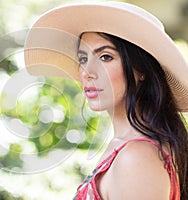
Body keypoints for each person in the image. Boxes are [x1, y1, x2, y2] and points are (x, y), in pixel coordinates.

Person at [24, 1, 188, 200]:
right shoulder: (126, 147)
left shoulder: (136, 158)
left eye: (105, 57)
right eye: (83, 59)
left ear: (141, 69)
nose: (87, 72)